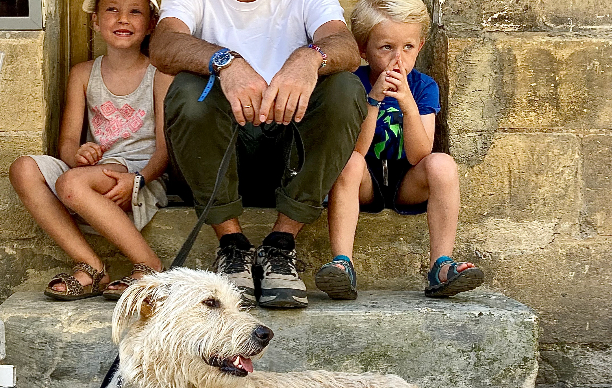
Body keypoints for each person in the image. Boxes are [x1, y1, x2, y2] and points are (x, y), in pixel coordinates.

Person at [149, 0, 366, 308]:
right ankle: (231, 244)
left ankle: (281, 243)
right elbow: (163, 44)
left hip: (287, 161)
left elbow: (345, 46)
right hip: (213, 160)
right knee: (188, 91)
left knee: (344, 88)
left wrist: (309, 57)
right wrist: (225, 61)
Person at [315, 0, 483, 300]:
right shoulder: (353, 84)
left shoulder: (423, 86)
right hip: (362, 181)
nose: (398, 59)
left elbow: (420, 155)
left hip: (407, 180)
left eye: (408, 47)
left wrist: (407, 103)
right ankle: (343, 264)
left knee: (442, 164)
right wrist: (373, 100)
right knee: (350, 162)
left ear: (420, 46)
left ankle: (441, 266)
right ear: (363, 50)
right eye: (386, 48)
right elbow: (356, 148)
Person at [9, 0, 172, 301]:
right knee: (23, 168)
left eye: (135, 11)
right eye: (112, 10)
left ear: (151, 25)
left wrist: (139, 180)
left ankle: (149, 264)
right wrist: (78, 155)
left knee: (72, 183)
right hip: (90, 175)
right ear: (95, 21)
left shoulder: (159, 75)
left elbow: (165, 149)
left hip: (139, 178)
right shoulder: (83, 74)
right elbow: (68, 144)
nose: (123, 19)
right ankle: (92, 266)